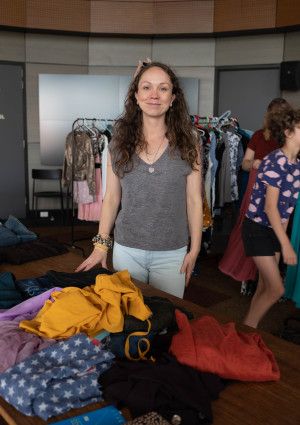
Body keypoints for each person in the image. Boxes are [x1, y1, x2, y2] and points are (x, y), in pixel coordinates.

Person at [75, 61, 203, 298]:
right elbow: (112, 198)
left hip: (172, 252)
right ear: (136, 95)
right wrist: (101, 245)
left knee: (165, 320)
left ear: (173, 97)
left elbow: (195, 200)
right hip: (127, 250)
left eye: (163, 88)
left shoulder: (190, 141)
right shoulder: (118, 142)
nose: (154, 95)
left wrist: (194, 249)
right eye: (146, 87)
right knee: (129, 320)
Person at [219, 98, 291, 283]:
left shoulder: (291, 138)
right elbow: (244, 164)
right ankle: (251, 275)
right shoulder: (259, 136)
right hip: (256, 190)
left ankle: (269, 278)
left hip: (281, 192)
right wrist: (254, 163)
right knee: (251, 229)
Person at [241, 106, 300, 328]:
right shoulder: (275, 161)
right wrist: (285, 245)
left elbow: (287, 209)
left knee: (265, 287)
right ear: (288, 132)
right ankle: (246, 331)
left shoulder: (297, 167)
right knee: (277, 289)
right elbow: (270, 207)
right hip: (256, 228)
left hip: (273, 231)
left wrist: (280, 238)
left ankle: (248, 330)